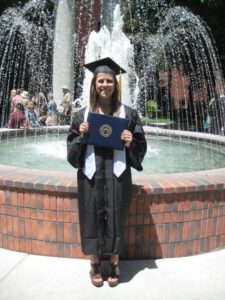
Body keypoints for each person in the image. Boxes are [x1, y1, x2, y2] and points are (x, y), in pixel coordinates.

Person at [67, 57, 147, 287]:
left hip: (117, 173)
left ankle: (113, 262)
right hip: (92, 173)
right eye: (101, 81)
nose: (105, 85)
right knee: (91, 214)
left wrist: (132, 142)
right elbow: (71, 152)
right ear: (94, 84)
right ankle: (94, 262)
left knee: (116, 214)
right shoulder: (82, 116)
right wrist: (81, 137)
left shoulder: (128, 115)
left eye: (109, 81)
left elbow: (141, 145)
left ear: (115, 85)